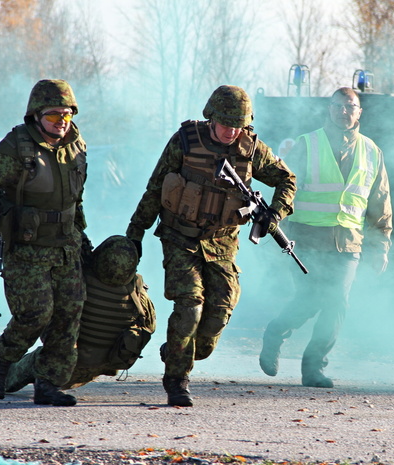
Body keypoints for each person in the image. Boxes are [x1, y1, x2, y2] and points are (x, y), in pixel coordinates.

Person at [126, 85, 296, 407]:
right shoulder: (186, 141)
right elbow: (154, 188)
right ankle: (177, 381)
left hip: (222, 245)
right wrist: (135, 233)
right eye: (226, 124)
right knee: (189, 307)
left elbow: (287, 179)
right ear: (211, 117)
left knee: (212, 324)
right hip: (180, 239)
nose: (232, 131)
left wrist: (276, 213)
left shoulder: (252, 149)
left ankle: (178, 350)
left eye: (239, 125)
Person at [0, 79, 90, 405]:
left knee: (68, 315)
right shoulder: (17, 146)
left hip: (65, 245)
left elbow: (76, 198)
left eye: (66, 115)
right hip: (27, 247)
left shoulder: (77, 145)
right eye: (53, 116)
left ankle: (48, 384)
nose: (61, 122)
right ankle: (0, 362)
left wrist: (82, 234)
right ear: (36, 115)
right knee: (36, 313)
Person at [259, 87, 393, 388]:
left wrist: (381, 247)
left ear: (359, 112)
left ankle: (313, 368)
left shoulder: (372, 151)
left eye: (350, 106)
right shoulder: (307, 144)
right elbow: (286, 189)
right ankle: (275, 333)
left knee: (337, 302)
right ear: (328, 109)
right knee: (310, 297)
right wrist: (276, 228)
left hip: (348, 242)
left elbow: (380, 203)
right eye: (338, 106)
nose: (343, 111)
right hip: (307, 238)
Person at [0, 235, 156, 402]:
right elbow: (148, 328)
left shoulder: (77, 281)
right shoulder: (138, 293)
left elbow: (50, 316)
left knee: (6, 376)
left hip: (60, 364)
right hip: (101, 366)